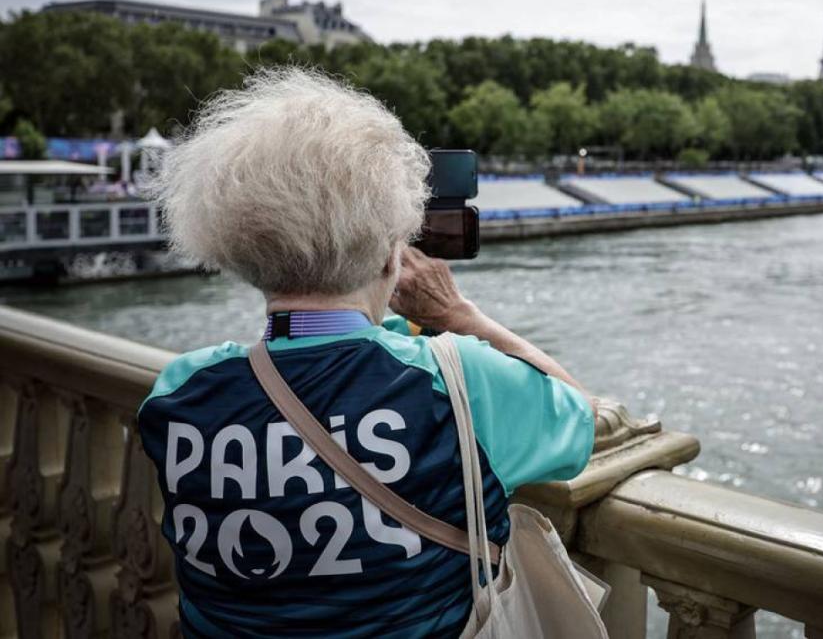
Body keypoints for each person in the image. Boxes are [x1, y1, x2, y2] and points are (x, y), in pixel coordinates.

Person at [137, 68, 595, 638]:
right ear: (390, 253)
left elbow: (318, 362)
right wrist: (456, 315)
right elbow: (579, 418)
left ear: (237, 252)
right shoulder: (459, 381)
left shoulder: (180, 389)